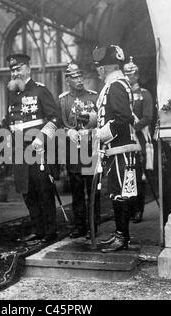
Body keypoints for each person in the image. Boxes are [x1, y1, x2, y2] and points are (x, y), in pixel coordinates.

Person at [5, 53, 62, 243]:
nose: (15, 73)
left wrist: (42, 138)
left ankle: (50, 231)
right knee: (27, 192)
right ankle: (37, 230)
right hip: (20, 150)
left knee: (43, 190)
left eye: (19, 69)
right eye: (12, 70)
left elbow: (55, 118)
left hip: (38, 149)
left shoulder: (40, 91)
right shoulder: (13, 93)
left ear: (28, 69)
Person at [92, 45, 141, 252]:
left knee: (121, 194)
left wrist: (101, 134)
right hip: (117, 149)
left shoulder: (116, 86)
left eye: (99, 68)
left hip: (121, 149)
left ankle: (123, 237)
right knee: (116, 192)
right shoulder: (117, 85)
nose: (98, 71)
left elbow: (122, 118)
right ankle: (121, 234)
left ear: (103, 68)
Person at [58, 63, 99, 239]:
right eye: (74, 77)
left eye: (80, 76)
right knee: (76, 191)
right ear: (67, 80)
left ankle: (93, 226)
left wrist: (90, 131)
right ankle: (80, 226)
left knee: (92, 190)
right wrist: (68, 131)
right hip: (74, 151)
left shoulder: (93, 97)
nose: (79, 80)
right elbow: (57, 123)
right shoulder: (63, 100)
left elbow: (101, 120)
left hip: (90, 149)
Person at [123, 57, 154, 224]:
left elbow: (148, 117)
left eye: (132, 74)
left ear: (137, 75)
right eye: (126, 74)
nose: (129, 77)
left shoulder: (145, 94)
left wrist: (132, 128)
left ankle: (138, 210)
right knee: (126, 174)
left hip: (139, 138)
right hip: (125, 139)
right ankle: (128, 209)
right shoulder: (121, 95)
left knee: (138, 175)